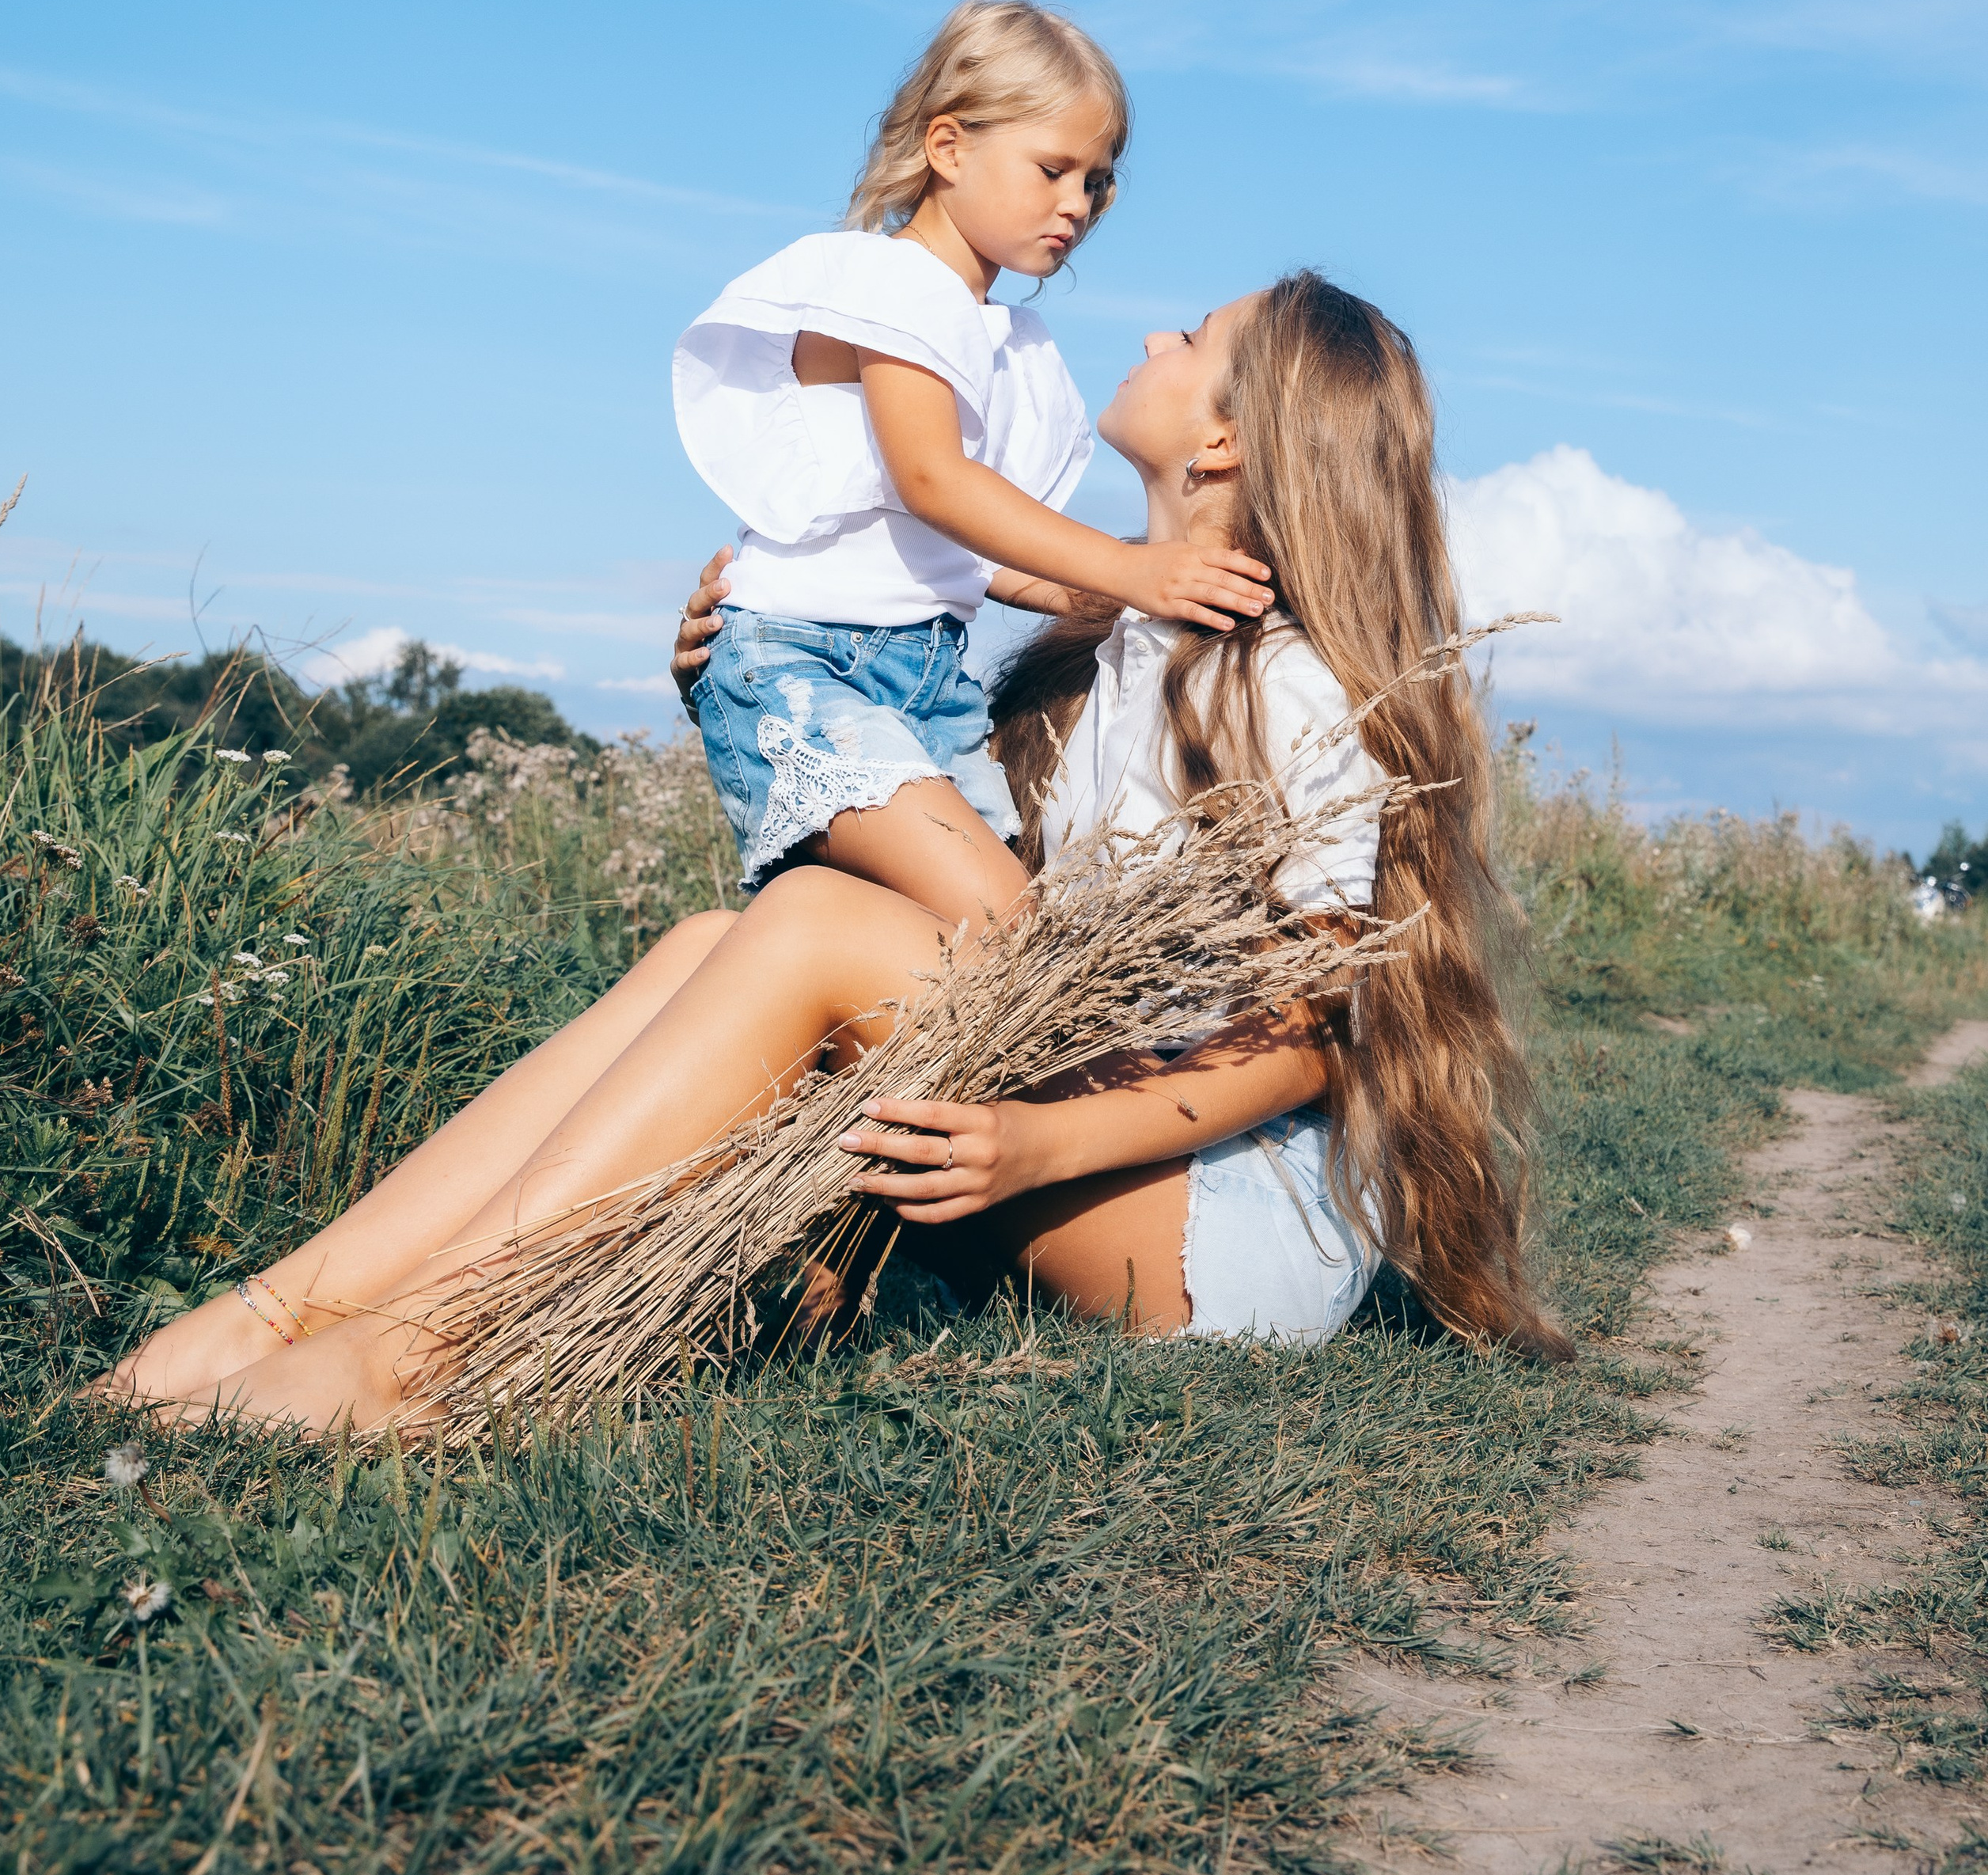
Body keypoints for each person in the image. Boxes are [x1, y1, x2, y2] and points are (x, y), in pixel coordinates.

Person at [101, 271, 1565, 1429]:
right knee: (714, 945)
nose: (1150, 330)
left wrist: (1044, 1140)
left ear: (1226, 439)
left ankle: (410, 1364)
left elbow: (1312, 1030)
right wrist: (736, 687)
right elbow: (918, 855)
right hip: (1116, 1147)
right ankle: (270, 1321)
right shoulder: (1115, 646)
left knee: (804, 929)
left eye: (1193, 334)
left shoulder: (1292, 681)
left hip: (1227, 1226)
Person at [672, 0, 1273, 930]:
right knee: (1001, 923)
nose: (1077, 204)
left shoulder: (996, 336)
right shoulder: (896, 287)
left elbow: (982, 561)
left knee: (951, 940)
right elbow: (933, 482)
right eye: (1053, 169)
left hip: (922, 677)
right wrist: (1129, 569)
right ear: (949, 149)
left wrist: (1145, 595)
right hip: (804, 663)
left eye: (1098, 182)